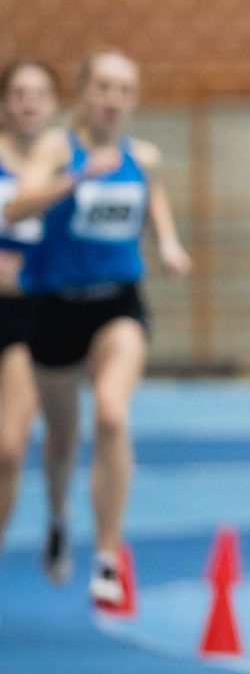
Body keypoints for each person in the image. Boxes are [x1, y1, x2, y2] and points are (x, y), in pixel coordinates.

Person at [3, 51, 191, 609]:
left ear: (133, 100)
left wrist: (170, 243)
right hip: (54, 306)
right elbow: (15, 208)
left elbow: (151, 195)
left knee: (110, 410)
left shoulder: (143, 156)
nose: (113, 98)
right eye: (103, 87)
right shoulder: (57, 149)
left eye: (124, 89)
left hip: (118, 304)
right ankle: (59, 516)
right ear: (83, 94)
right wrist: (77, 177)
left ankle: (107, 556)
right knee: (61, 437)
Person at [0, 61, 60, 570]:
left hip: (30, 316)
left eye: (40, 94)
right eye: (20, 93)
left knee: (9, 449)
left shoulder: (65, 166)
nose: (29, 103)